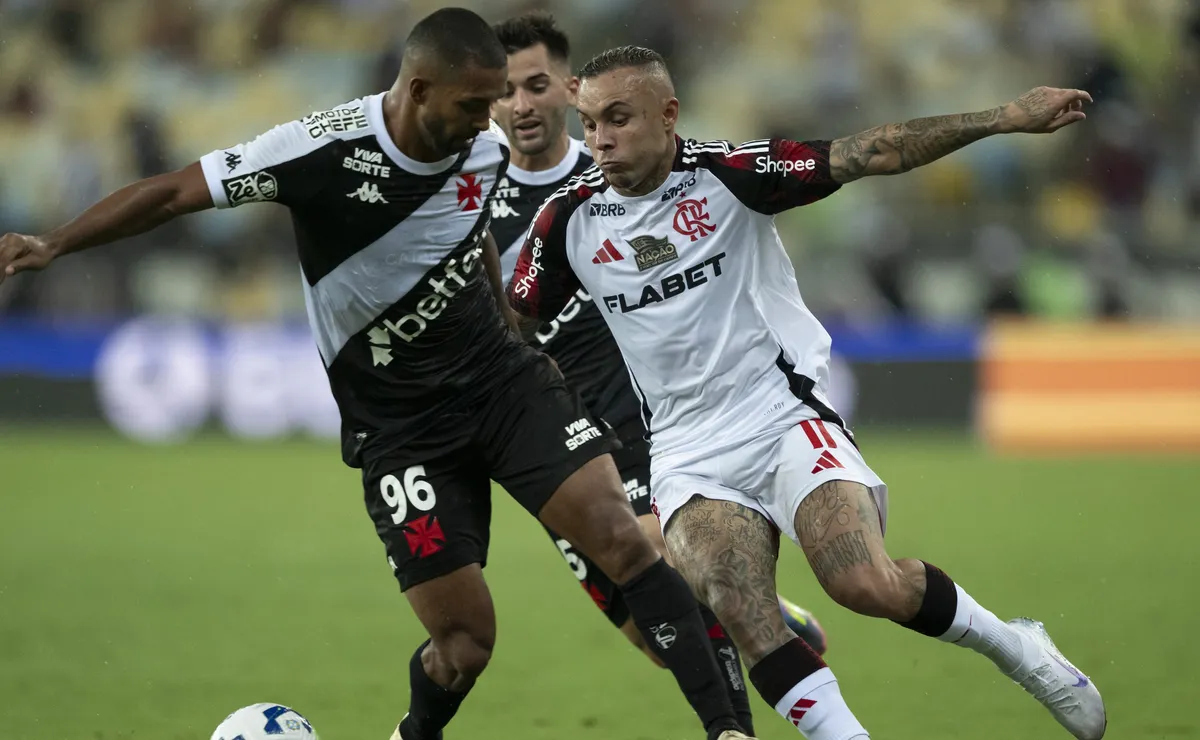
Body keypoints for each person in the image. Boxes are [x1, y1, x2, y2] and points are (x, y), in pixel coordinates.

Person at [0, 15, 755, 740]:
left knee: (624, 541)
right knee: (464, 644)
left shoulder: (483, 147)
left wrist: (508, 321)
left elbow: (473, 231)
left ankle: (727, 730)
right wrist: (54, 243)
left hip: (501, 383)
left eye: (495, 98)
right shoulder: (315, 152)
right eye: (472, 103)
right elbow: (170, 192)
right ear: (420, 90)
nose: (489, 119)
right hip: (402, 429)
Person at [506, 45, 1106, 740]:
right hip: (687, 451)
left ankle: (1018, 648)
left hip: (782, 414)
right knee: (740, 605)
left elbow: (870, 152)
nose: (600, 140)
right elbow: (513, 323)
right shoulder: (566, 222)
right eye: (588, 124)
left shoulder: (732, 175)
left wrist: (1004, 117)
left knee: (863, 586)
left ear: (668, 115)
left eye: (618, 119)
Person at [488, 13, 828, 737]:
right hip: (546, 425)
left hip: (631, 410)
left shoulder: (613, 161)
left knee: (651, 560)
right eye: (505, 90)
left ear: (569, 90)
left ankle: (734, 712)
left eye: (537, 85)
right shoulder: (468, 188)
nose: (520, 104)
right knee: (655, 638)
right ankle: (760, 615)